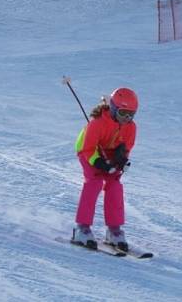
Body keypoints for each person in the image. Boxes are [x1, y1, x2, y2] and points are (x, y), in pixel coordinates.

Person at [71, 87, 138, 251]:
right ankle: (82, 228)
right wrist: (100, 163)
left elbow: (126, 148)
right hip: (89, 152)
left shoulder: (131, 127)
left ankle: (114, 231)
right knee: (94, 182)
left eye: (131, 114)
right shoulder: (98, 122)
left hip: (109, 154)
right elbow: (88, 149)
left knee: (114, 185)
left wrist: (120, 160)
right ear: (114, 108)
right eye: (123, 113)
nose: (126, 118)